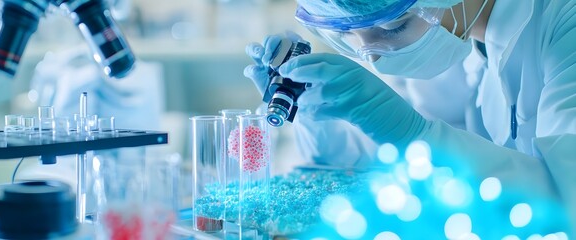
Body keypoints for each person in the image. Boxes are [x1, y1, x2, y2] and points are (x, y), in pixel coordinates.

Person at [244, 0, 576, 232]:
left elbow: (568, 204)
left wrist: (412, 134)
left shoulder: (565, 21)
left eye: (395, 25)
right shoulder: (451, 35)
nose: (371, 56)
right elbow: (355, 162)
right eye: (347, 33)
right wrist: (313, 105)